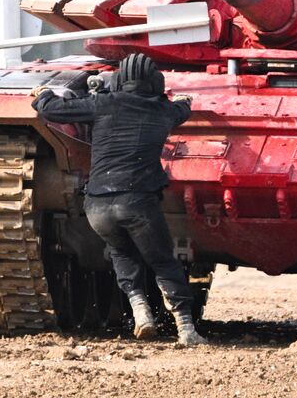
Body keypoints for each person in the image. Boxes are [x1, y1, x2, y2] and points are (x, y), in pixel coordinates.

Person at [30, 53, 205, 346]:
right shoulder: (163, 111)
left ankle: (142, 315)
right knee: (162, 261)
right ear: (155, 84)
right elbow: (181, 110)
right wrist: (185, 101)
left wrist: (42, 95)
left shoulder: (104, 103)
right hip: (137, 203)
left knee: (121, 253)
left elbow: (54, 109)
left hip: (97, 205)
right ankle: (186, 329)